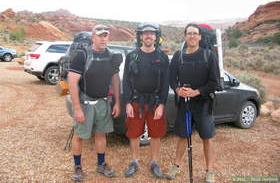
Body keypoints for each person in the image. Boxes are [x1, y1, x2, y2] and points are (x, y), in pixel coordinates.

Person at [167, 23, 220, 183]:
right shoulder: (178, 56)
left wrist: (197, 91)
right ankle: (176, 166)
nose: (192, 36)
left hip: (203, 104)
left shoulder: (209, 56)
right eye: (189, 33)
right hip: (185, 104)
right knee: (183, 136)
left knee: (207, 137)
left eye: (195, 33)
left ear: (200, 37)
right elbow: (171, 78)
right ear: (185, 36)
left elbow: (214, 82)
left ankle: (210, 171)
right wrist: (177, 90)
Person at [68, 24, 122, 181]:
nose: (104, 38)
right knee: (79, 136)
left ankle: (101, 164)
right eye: (100, 35)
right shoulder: (82, 55)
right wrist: (77, 108)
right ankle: (77, 167)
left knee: (101, 135)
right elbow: (72, 82)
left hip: (103, 102)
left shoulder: (111, 56)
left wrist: (118, 102)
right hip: (85, 103)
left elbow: (115, 79)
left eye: (106, 35)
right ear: (93, 37)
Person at [123, 22, 169, 179]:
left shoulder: (162, 57)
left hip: (155, 102)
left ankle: (154, 162)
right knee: (134, 133)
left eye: (152, 33)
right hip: (136, 101)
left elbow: (165, 83)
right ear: (140, 36)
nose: (148, 36)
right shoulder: (132, 56)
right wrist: (127, 102)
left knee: (155, 134)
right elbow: (126, 81)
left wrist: (162, 104)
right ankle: (134, 161)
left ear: (156, 36)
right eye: (145, 33)